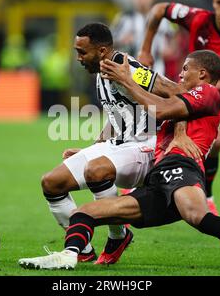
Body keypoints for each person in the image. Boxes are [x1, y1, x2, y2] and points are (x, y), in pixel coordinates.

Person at [18, 50, 220, 273]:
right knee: (85, 213)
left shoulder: (209, 93)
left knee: (199, 217)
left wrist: (126, 80)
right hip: (158, 179)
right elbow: (133, 125)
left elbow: (164, 109)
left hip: (182, 170)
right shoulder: (186, 99)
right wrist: (89, 151)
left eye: (185, 69)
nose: (180, 75)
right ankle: (69, 256)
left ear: (203, 74)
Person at [39, 23, 199, 265]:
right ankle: (84, 251)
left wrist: (179, 134)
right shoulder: (101, 69)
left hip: (145, 146)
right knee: (51, 183)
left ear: (102, 50)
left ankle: (118, 236)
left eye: (82, 52)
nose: (79, 58)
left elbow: (177, 92)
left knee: (96, 169)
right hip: (117, 144)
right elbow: (118, 113)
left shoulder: (130, 69)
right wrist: (93, 148)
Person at [138, 0, 220, 215]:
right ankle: (154, 181)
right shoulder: (197, 18)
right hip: (188, 89)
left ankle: (193, 189)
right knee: (168, 127)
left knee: (213, 141)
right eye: (219, 3)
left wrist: (213, 86)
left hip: (214, 100)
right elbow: (158, 9)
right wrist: (146, 49)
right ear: (213, 4)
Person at [111, 0, 175, 75]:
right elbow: (109, 42)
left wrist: (170, 49)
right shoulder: (124, 18)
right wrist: (121, 41)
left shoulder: (163, 19)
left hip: (157, 68)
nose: (141, 0)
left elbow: (173, 37)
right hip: (129, 68)